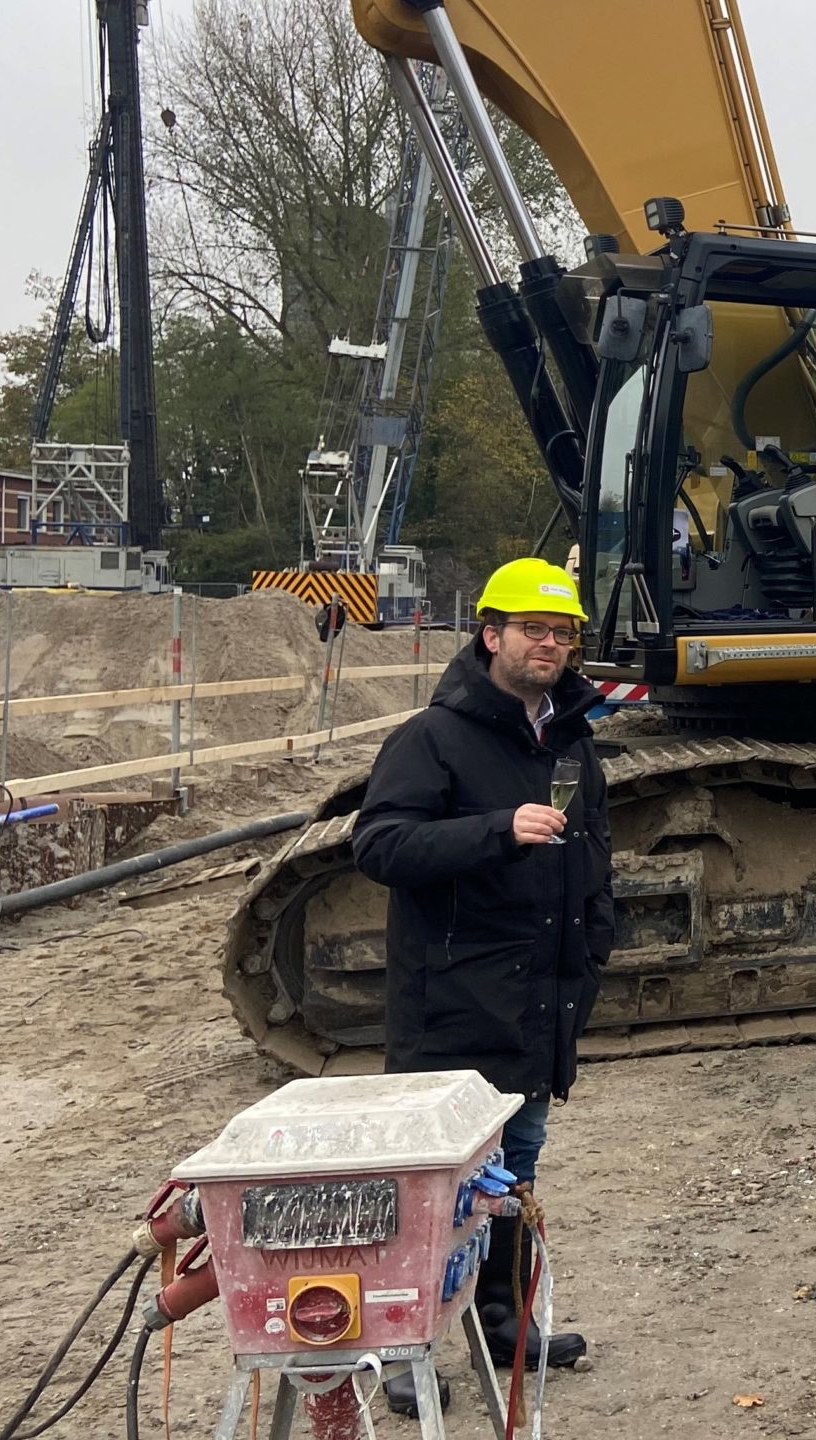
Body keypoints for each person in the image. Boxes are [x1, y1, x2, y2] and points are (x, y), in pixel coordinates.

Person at [353, 556, 607, 1406]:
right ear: (490, 634)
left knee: (513, 1182)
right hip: (454, 1015)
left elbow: (593, 863)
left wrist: (593, 955)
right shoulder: (431, 739)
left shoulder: (573, 741)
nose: (551, 643)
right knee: (432, 1196)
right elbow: (381, 845)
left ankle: (503, 1326)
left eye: (563, 631)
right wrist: (497, 829)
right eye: (534, 628)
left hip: (536, 1011)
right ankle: (404, 1352)